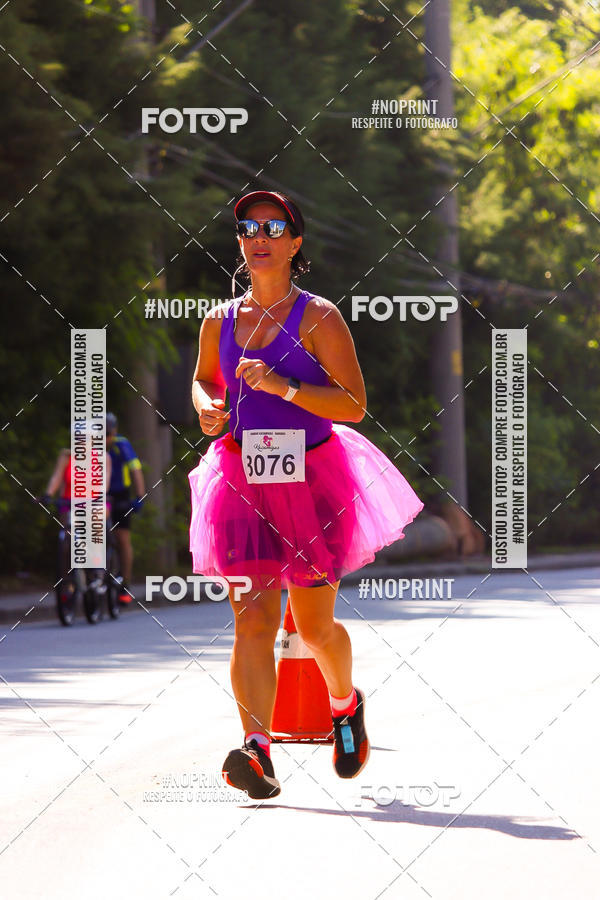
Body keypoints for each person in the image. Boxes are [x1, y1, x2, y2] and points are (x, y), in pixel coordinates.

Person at [188, 190, 424, 800]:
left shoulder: (318, 318)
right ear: (240, 241)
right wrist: (208, 408)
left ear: (295, 243)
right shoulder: (219, 322)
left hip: (314, 479)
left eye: (274, 226)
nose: (258, 235)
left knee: (316, 629)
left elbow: (353, 405)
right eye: (247, 226)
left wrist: (284, 386)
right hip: (241, 481)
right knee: (254, 620)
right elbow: (203, 379)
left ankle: (345, 706)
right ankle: (258, 752)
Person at [106, 412, 145, 604]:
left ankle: (125, 584)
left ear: (114, 431)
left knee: (122, 538)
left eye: (108, 433)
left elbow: (135, 469)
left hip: (121, 496)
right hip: (98, 496)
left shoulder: (121, 444)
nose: (105, 438)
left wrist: (139, 496)